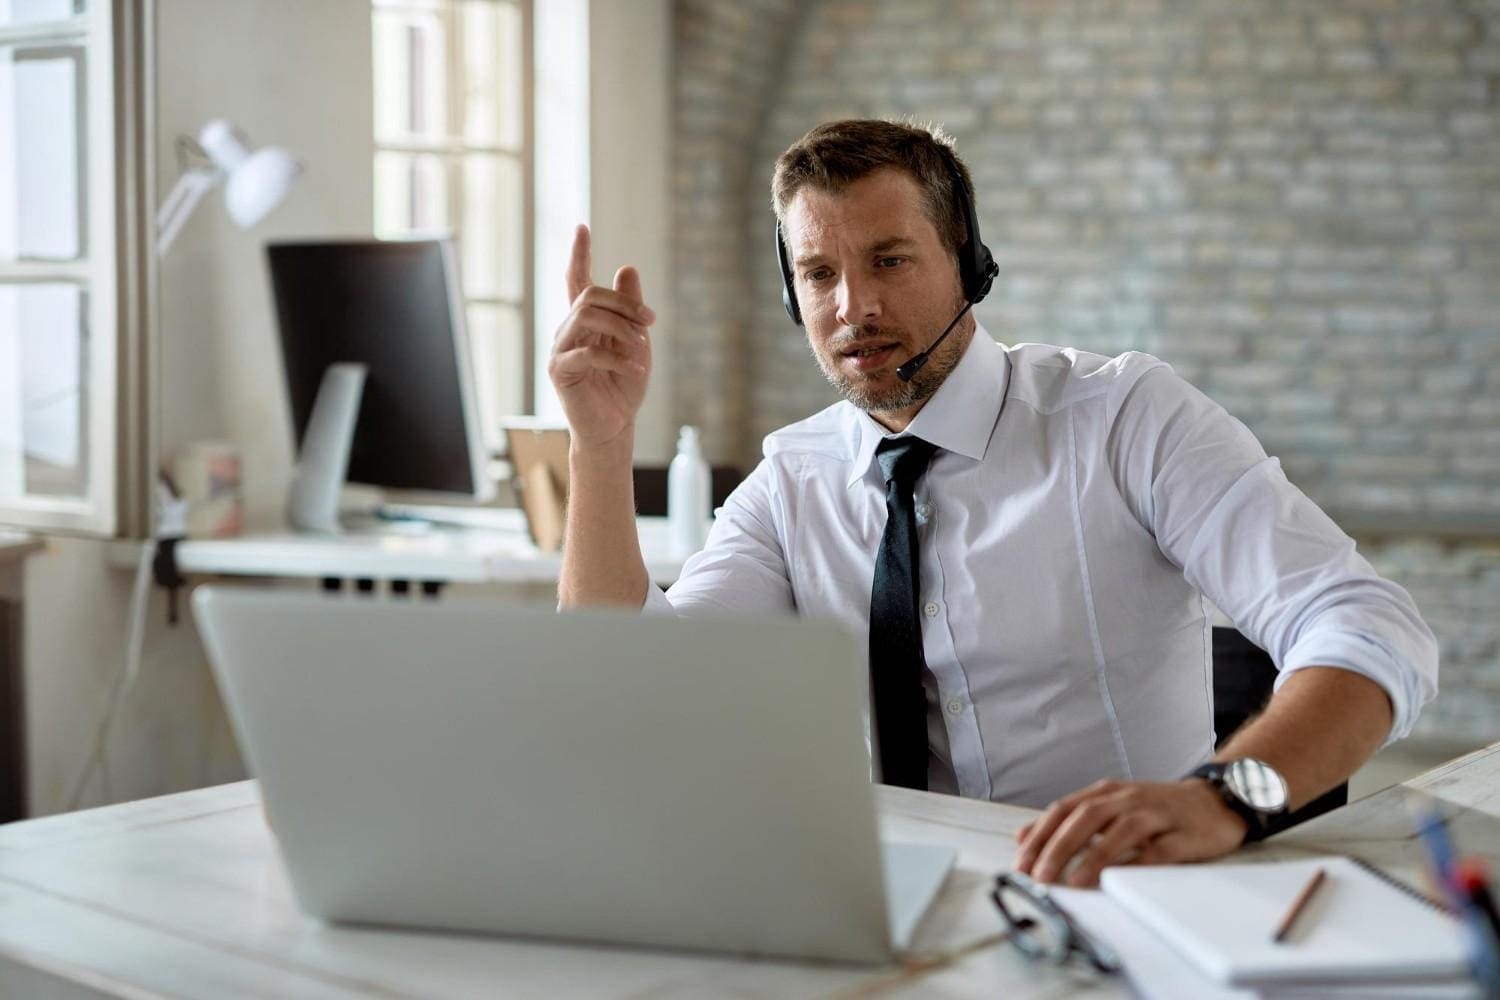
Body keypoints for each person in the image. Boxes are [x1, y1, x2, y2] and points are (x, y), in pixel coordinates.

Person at [547, 119, 1438, 888]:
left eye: (890, 260)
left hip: (1118, 890)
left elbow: (1370, 627)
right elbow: (632, 691)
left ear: (968, 262)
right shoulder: (791, 480)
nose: (854, 307)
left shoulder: (1125, 418)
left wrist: (1223, 798)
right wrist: (600, 442)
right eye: (818, 274)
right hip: (888, 896)